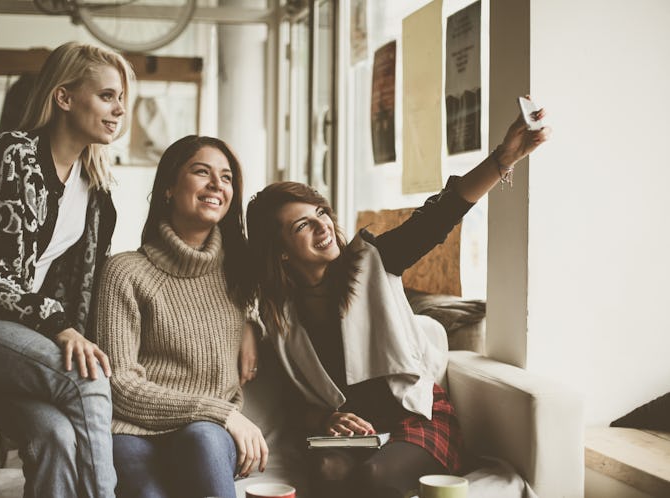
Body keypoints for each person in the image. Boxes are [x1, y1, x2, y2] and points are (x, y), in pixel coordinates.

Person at [246, 104, 550, 498]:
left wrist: (502, 159)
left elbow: (439, 215)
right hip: (356, 437)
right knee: (327, 471)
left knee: (374, 478)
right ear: (280, 251)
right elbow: (291, 400)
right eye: (302, 224)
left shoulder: (371, 261)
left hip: (417, 421)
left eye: (321, 212)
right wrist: (326, 418)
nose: (323, 225)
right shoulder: (280, 315)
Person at [0, 41, 135, 498]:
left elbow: (80, 288)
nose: (119, 109)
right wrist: (56, 325)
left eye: (122, 99)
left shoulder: (95, 190)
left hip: (7, 336)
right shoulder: (14, 155)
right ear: (64, 97)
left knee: (54, 436)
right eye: (107, 96)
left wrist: (74, 329)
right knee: (89, 379)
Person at [93, 135, 268, 498]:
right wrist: (222, 413)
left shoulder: (240, 273)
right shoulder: (124, 272)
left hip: (208, 437)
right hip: (134, 429)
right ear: (169, 188)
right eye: (201, 172)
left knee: (203, 437)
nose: (217, 184)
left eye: (226, 177)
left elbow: (288, 304)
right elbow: (120, 384)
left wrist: (252, 323)